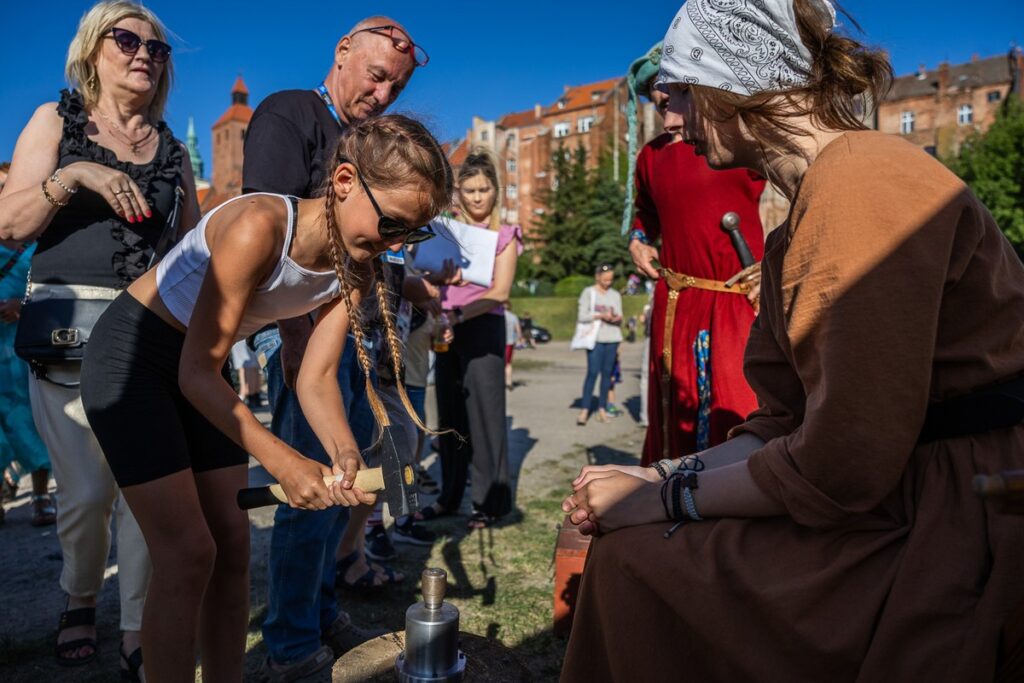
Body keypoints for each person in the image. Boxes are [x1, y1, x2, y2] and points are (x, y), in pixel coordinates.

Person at [560, 2, 1024, 680]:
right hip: (890, 492)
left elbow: (844, 462)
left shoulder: (861, 182)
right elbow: (778, 424)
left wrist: (660, 499)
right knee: (630, 554)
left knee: (641, 561)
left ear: (737, 84)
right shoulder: (793, 231)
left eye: (683, 92)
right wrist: (656, 473)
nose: (671, 117)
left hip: (955, 511)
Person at [80, 115, 452, 682]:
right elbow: (196, 372)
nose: (395, 244)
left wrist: (344, 454)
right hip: (134, 358)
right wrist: (283, 459)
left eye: (412, 235)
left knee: (231, 547)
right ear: (346, 180)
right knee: (186, 554)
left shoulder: (356, 263)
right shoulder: (259, 225)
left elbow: (316, 377)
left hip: (197, 368)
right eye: (393, 224)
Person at [0, 2, 196, 676]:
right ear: (93, 49)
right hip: (64, 332)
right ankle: (80, 593)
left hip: (145, 336)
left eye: (157, 47)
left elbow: (189, 254)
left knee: (148, 497)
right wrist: (76, 175)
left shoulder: (174, 150)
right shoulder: (54, 123)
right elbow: (10, 224)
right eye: (127, 38)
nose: (144, 52)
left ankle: (140, 622)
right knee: (86, 494)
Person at [240, 15, 427, 678]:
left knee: (339, 488)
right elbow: (268, 240)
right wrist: (294, 349)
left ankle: (319, 611)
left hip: (349, 335)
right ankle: (291, 641)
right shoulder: (290, 113)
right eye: (376, 76)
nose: (382, 95)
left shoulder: (368, 141)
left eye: (396, 89)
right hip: (298, 335)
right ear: (343, 51)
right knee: (308, 489)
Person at [623, 41, 766, 465]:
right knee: (675, 412)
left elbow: (797, 192)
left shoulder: (738, 140)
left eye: (674, 101)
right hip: (675, 304)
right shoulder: (650, 157)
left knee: (738, 405)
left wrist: (778, 266)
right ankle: (671, 503)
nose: (667, 119)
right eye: (657, 105)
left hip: (740, 299)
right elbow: (644, 214)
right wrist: (637, 238)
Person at [418, 149, 521, 529]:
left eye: (484, 189)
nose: (477, 197)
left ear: (496, 190)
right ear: (458, 192)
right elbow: (424, 275)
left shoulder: (504, 237)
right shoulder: (445, 231)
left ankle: (489, 503)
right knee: (450, 418)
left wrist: (459, 314)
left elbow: (500, 292)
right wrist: (439, 284)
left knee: (486, 417)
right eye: (470, 190)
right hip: (444, 328)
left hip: (482, 327)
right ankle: (449, 496)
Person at [0, 241, 55, 528]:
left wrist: (21, 307)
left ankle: (40, 495)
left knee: (31, 419)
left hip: (22, 349)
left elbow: (53, 291)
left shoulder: (35, 246)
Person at [575, 264, 623, 425]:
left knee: (607, 375)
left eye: (610, 280)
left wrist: (616, 318)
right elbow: (582, 316)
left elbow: (620, 316)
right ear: (597, 277)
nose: (608, 283)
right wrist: (601, 315)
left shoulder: (615, 294)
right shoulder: (589, 293)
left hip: (612, 338)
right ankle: (585, 409)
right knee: (592, 373)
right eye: (605, 280)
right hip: (595, 339)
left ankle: (602, 408)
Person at [503, 304, 521, 390]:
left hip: (498, 342)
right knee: (508, 364)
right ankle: (508, 382)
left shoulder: (497, 316)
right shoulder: (513, 316)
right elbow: (518, 331)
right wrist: (519, 340)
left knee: (499, 363)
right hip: (509, 343)